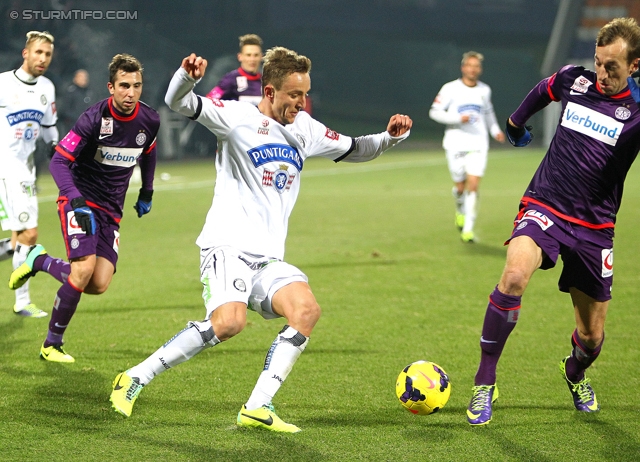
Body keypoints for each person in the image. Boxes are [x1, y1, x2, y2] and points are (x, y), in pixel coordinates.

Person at [109, 47, 412, 432]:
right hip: (227, 246)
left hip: (267, 259)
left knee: (306, 310)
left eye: (304, 94)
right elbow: (177, 101)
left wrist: (390, 137)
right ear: (270, 92)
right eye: (293, 95)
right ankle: (135, 376)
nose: (301, 103)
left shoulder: (306, 128)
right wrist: (187, 77)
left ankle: (257, 406)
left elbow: (354, 148)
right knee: (229, 323)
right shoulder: (235, 117)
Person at [466, 17, 640, 426]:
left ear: (634, 66)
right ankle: (484, 383)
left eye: (612, 67)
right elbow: (543, 90)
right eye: (598, 63)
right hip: (545, 204)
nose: (601, 74)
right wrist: (514, 123)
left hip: (595, 228)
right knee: (512, 278)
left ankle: (575, 370)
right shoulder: (574, 81)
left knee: (593, 337)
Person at [8, 54, 160, 363]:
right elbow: (59, 161)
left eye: (136, 86)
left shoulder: (149, 120)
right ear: (111, 87)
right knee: (82, 269)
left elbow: (148, 152)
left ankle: (39, 260)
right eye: (124, 86)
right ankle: (51, 344)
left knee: (98, 283)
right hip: (80, 201)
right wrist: (75, 199)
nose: (131, 93)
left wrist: (147, 191)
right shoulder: (93, 119)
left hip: (111, 210)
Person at [0, 31, 59, 317]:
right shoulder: (3, 83)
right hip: (5, 167)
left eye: (47, 54)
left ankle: (8, 251)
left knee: (17, 241)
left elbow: (49, 127)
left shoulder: (47, 87)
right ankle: (22, 302)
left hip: (27, 168)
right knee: (30, 234)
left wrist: (56, 147)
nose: (43, 59)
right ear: (26, 53)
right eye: (38, 52)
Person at [429, 51, 505, 243]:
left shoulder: (484, 90)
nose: (473, 69)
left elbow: (488, 113)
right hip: (455, 143)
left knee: (473, 185)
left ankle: (468, 229)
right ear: (463, 67)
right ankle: (459, 209)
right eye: (469, 65)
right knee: (460, 187)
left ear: (480, 69)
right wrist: (457, 118)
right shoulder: (450, 89)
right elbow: (434, 112)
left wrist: (495, 130)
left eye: (476, 66)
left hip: (478, 144)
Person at [206, 33, 263, 105]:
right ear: (240, 57)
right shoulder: (230, 79)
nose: (252, 59)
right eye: (248, 55)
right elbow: (210, 100)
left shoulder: (266, 82)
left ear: (261, 57)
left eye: (256, 55)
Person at [59, 69, 93, 135]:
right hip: (73, 126)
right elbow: (64, 110)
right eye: (81, 77)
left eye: (85, 77)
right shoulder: (71, 92)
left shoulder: (89, 92)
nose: (84, 79)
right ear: (75, 78)